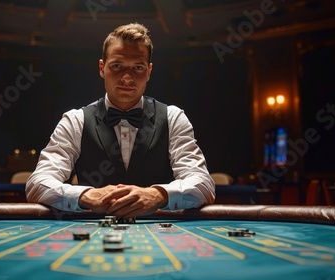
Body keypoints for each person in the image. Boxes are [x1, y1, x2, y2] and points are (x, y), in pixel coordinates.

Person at [26, 22, 215, 218]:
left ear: (149, 71)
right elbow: (38, 183)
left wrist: (157, 195)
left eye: (138, 68)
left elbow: (203, 183)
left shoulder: (173, 118)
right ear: (102, 68)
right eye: (117, 66)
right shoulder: (75, 120)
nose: (127, 78)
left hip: (162, 234)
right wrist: (86, 195)